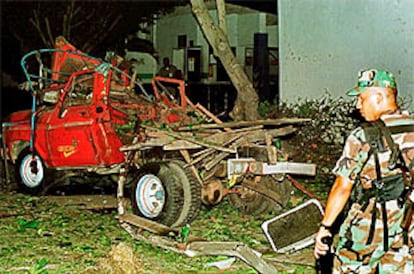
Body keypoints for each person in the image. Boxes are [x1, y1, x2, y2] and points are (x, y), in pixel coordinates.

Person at [314, 69, 414, 273]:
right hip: (408, 225)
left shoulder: (362, 136)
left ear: (378, 97)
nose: (357, 105)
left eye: (361, 98)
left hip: (368, 227)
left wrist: (325, 228)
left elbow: (342, 187)